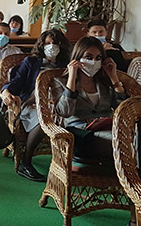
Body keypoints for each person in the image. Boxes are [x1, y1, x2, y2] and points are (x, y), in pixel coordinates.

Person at [2, 30, 70, 181]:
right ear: (41, 45)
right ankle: (25, 162)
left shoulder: (66, 64)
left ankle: (69, 162)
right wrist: (6, 91)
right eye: (47, 43)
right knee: (44, 120)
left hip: (60, 104)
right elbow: (16, 82)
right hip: (33, 104)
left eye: (55, 43)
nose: (51, 46)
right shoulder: (31, 62)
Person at [52, 36, 129, 165]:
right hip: (80, 133)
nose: (94, 62)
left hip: (108, 129)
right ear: (77, 58)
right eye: (88, 57)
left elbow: (124, 110)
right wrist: (72, 78)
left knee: (135, 139)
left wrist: (114, 78)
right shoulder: (61, 82)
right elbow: (65, 112)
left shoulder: (104, 82)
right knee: (120, 143)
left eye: (98, 58)